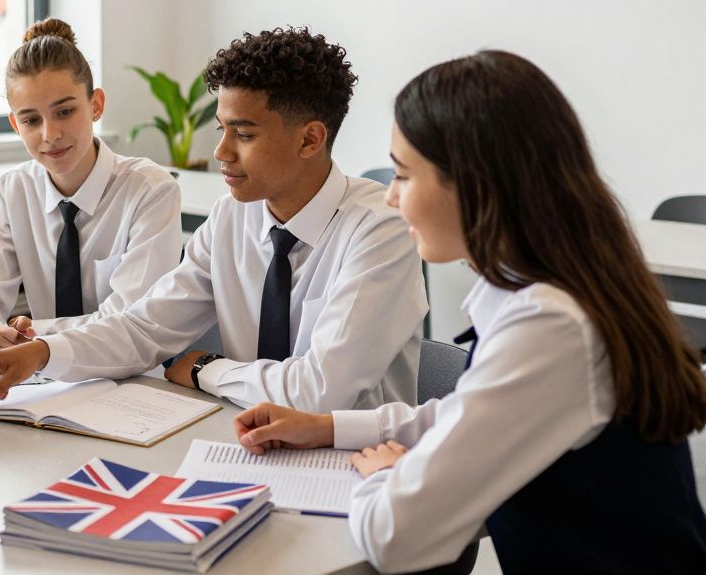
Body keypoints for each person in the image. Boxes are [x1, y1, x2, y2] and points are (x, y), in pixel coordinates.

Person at [233, 51, 706, 572]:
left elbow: (395, 538)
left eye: (404, 175)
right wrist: (327, 427)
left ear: (477, 185)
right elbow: (465, 415)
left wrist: (385, 473)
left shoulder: (551, 326)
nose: (391, 198)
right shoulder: (554, 293)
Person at [0, 27, 425, 412]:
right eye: (222, 129)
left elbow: (322, 391)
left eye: (243, 134)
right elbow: (144, 328)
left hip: (354, 473)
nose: (220, 152)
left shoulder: (381, 230)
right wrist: (42, 352)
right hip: (244, 444)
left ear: (310, 139)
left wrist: (206, 369)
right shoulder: (230, 220)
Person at [0, 18, 182, 352]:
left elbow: (129, 320)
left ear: (96, 105)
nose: (50, 134)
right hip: (44, 378)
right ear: (16, 124)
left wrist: (33, 337)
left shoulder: (150, 191)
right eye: (31, 120)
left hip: (133, 377)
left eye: (65, 112)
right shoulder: (14, 190)